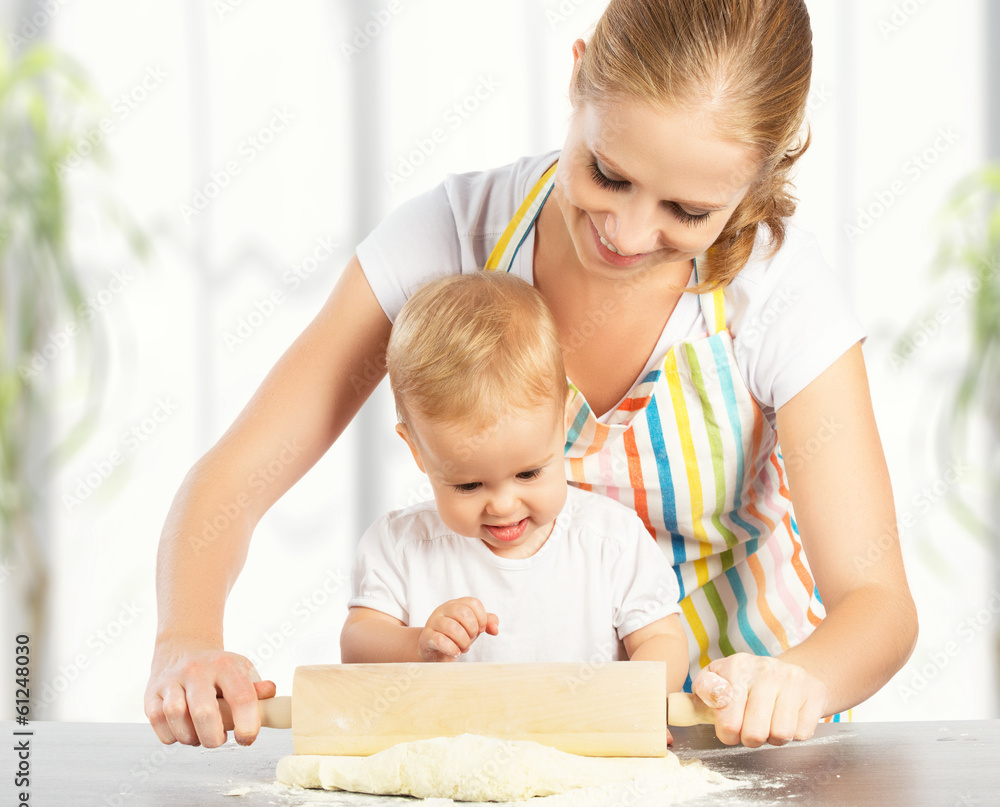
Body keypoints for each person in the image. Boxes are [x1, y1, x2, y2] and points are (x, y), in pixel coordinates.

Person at [144, 0, 917, 751]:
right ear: (578, 79)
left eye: (686, 210)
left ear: (756, 182)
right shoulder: (453, 237)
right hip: (519, 741)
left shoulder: (778, 294)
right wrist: (185, 641)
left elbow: (876, 603)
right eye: (608, 174)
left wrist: (796, 681)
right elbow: (233, 480)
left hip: (737, 744)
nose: (627, 232)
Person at [339, 270, 689, 691]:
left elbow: (662, 639)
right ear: (417, 450)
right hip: (448, 753)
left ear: (563, 423)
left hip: (584, 752)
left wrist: (634, 698)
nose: (502, 505)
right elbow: (357, 644)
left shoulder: (612, 542)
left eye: (528, 473)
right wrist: (419, 644)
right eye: (468, 485)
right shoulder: (400, 547)